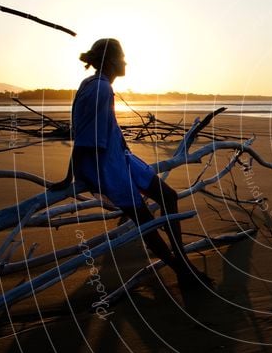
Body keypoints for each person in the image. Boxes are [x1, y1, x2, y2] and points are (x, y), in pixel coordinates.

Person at [56, 38, 212, 289]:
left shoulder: (98, 84)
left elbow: (104, 128)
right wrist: (69, 176)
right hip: (103, 164)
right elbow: (86, 138)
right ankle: (182, 270)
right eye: (121, 57)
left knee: (168, 196)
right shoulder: (100, 88)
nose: (125, 62)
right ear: (109, 61)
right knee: (145, 220)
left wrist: (125, 149)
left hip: (118, 157)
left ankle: (181, 261)